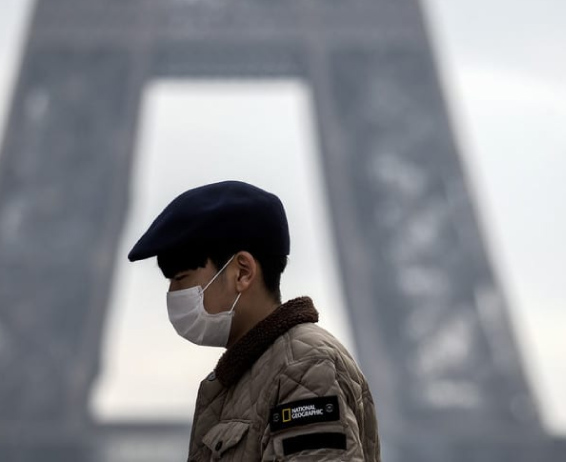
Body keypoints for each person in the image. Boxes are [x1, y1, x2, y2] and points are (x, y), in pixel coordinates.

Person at [127, 180, 381, 461]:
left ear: (242, 272)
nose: (173, 293)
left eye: (180, 278)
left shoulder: (303, 368)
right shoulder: (254, 373)